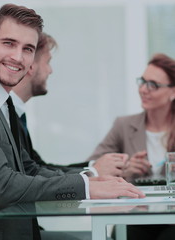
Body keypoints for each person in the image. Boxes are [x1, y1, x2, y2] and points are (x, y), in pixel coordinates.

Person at [0, 4, 144, 240]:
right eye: (8, 43)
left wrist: (91, 178)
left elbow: (29, 168)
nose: (17, 57)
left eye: (28, 49)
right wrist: (85, 186)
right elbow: (3, 186)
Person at [86, 53, 175, 240]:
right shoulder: (123, 126)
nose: (143, 89)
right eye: (142, 82)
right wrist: (124, 170)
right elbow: (92, 166)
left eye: (153, 85)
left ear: (174, 92)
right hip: (135, 214)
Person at [11, 32, 128, 177]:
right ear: (30, 66)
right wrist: (93, 172)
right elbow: (30, 173)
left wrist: (93, 167)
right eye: (47, 62)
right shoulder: (5, 114)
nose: (50, 70)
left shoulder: (16, 112)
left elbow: (38, 167)